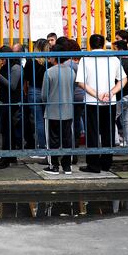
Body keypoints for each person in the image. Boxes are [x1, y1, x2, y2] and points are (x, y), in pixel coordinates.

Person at [74, 34, 125, 174]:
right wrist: (110, 92)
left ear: (90, 44)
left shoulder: (86, 59)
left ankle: (94, 164)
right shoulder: (113, 58)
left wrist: (97, 95)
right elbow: (123, 80)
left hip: (92, 102)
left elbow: (81, 82)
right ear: (103, 44)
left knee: (92, 133)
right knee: (108, 131)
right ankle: (107, 162)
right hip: (110, 101)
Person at [42, 44, 76, 174]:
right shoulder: (71, 71)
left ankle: (54, 166)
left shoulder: (49, 72)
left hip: (52, 111)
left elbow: (44, 95)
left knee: (52, 140)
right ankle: (67, 166)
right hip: (68, 109)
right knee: (67, 139)